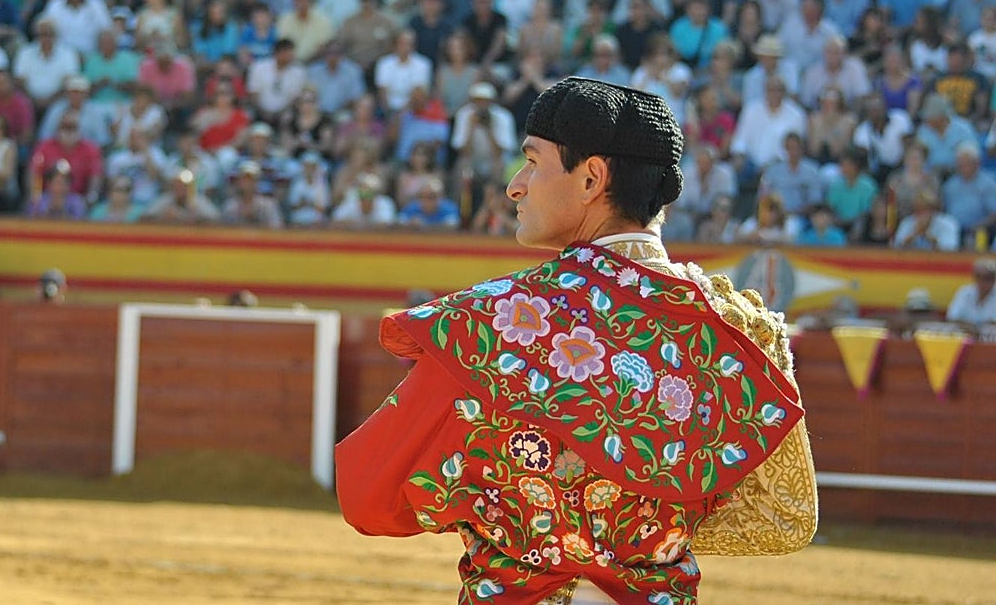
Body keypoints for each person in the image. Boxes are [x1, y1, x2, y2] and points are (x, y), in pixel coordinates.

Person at [336, 77, 816, 603]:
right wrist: (646, 538)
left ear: (591, 179)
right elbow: (782, 517)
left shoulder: (492, 325)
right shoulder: (740, 329)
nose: (515, 185)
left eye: (534, 162)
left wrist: (498, 513)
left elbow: (368, 495)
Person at [946, 257, 996, 330]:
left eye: (987, 278)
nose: (982, 281)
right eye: (979, 277)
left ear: (994, 279)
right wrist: (972, 328)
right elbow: (952, 318)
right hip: (965, 336)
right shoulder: (964, 292)